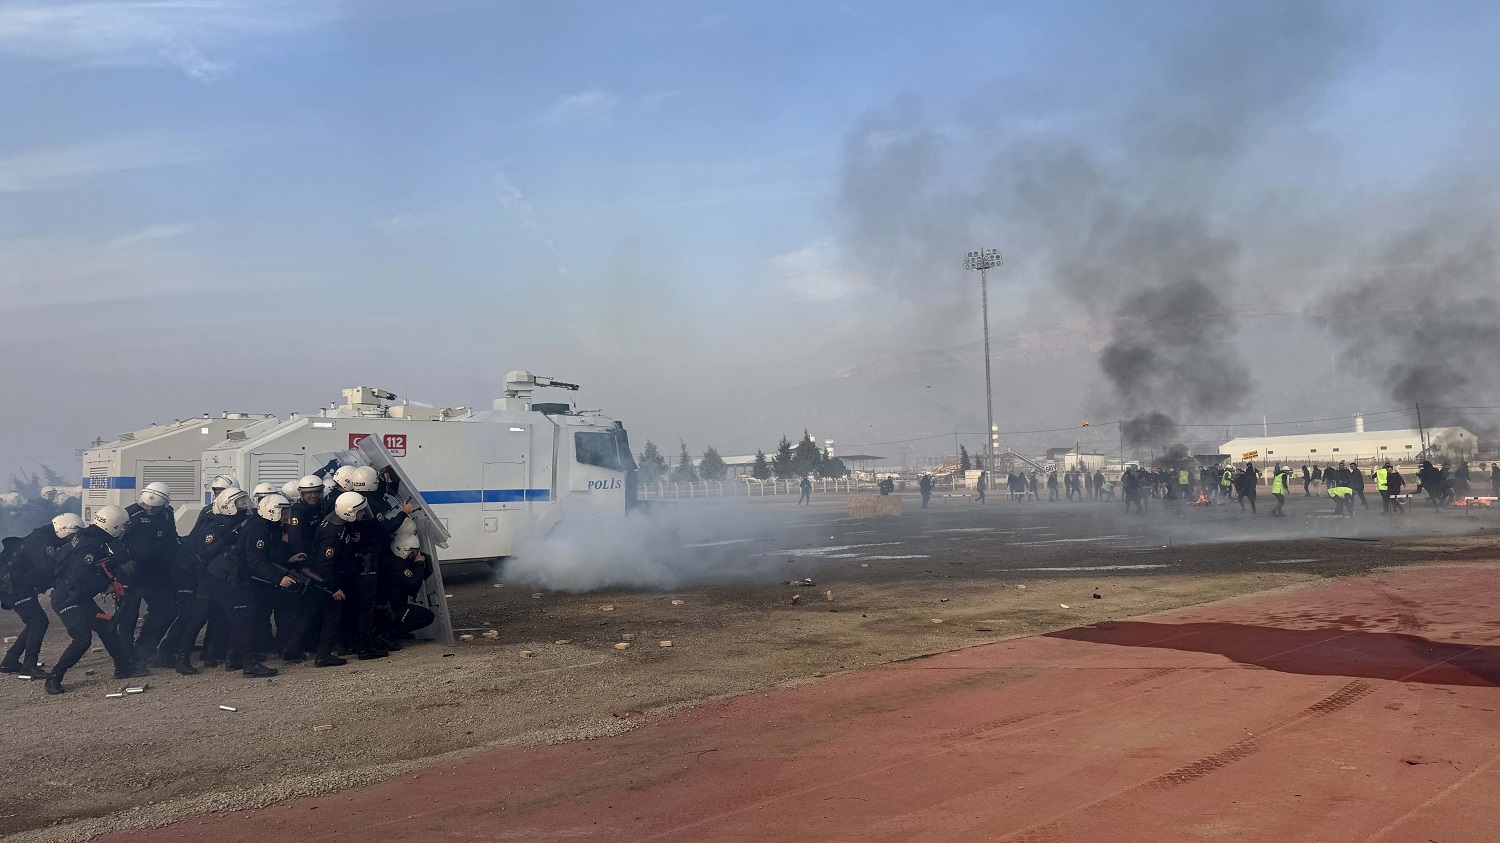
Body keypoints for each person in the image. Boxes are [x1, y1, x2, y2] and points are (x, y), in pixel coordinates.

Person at [169, 488, 278, 677]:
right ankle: (182, 658)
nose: (244, 506)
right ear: (228, 506)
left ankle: (236, 657)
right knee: (199, 618)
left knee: (234, 619)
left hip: (226, 578)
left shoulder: (243, 522)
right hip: (210, 578)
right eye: (240, 503)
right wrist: (227, 537)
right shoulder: (214, 525)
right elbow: (205, 552)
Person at [45, 506, 149, 695]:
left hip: (79, 596)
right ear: (114, 526)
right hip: (68, 599)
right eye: (122, 526)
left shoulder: (90, 537)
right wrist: (106, 586)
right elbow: (81, 573)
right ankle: (54, 678)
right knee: (82, 639)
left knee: (106, 627)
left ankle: (124, 668)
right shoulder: (92, 544)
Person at [1, 513, 83, 674]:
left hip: (17, 586)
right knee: (38, 622)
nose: (72, 539)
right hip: (14, 587)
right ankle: (29, 666)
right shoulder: (42, 541)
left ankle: (10, 661)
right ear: (63, 529)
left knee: (35, 622)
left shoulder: (43, 537)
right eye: (72, 535)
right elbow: (48, 567)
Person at [117, 482, 179, 664]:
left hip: (155, 573)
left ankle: (145, 648)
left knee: (166, 609)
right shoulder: (130, 514)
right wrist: (122, 560)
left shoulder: (168, 515)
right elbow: (113, 539)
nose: (150, 508)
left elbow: (171, 538)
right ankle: (126, 657)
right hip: (131, 574)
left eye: (155, 506)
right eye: (147, 505)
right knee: (128, 616)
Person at [377, 532, 435, 642]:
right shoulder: (398, 567)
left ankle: (395, 631)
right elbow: (414, 587)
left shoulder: (393, 560)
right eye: (413, 552)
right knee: (427, 616)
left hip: (390, 607)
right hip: (391, 609)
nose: (415, 554)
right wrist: (419, 565)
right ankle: (390, 632)